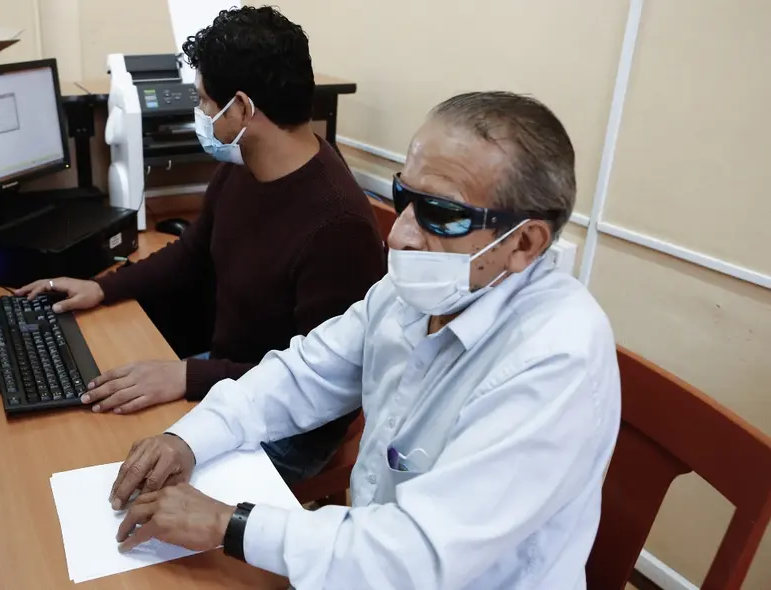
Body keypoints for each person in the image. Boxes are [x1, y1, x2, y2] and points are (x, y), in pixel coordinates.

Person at [105, 92, 622, 589]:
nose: (400, 235)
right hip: (363, 558)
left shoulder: (558, 359)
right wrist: (189, 438)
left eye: (441, 214)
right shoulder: (419, 288)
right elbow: (303, 372)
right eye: (404, 196)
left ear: (525, 242)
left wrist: (227, 524)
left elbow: (417, 557)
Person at [17, 7, 385, 484]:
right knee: (101, 425)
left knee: (137, 479)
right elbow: (191, 253)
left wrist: (186, 376)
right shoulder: (245, 164)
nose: (202, 115)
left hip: (291, 420)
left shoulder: (337, 226)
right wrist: (102, 288)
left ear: (241, 109)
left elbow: (318, 380)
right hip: (229, 377)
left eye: (205, 102)